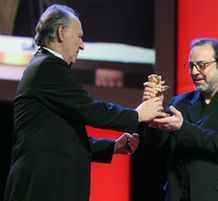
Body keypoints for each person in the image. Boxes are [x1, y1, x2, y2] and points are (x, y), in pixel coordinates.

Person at [3, 4, 164, 201]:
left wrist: (112, 147)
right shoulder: (48, 68)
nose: (82, 45)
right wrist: (138, 114)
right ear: (61, 32)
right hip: (43, 186)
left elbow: (60, 137)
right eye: (79, 36)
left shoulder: (44, 66)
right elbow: (91, 110)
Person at [142, 38, 218, 201]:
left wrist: (182, 127)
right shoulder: (179, 102)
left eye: (202, 65)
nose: (195, 72)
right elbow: (156, 143)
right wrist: (153, 110)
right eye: (191, 66)